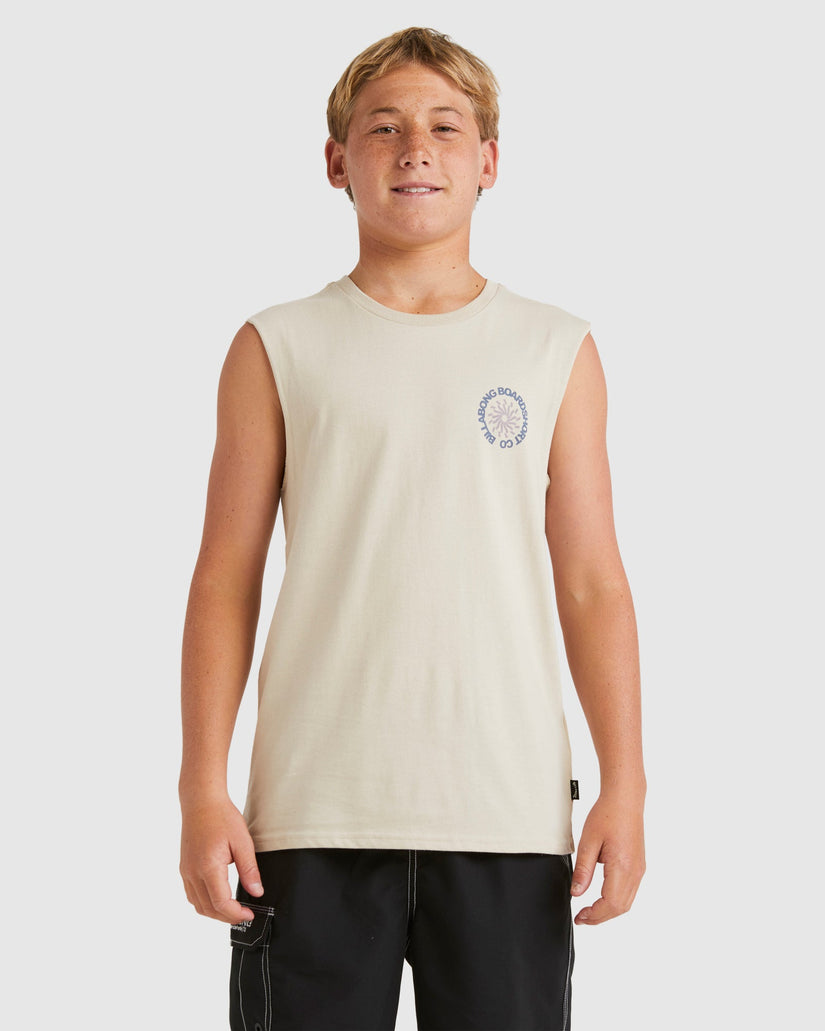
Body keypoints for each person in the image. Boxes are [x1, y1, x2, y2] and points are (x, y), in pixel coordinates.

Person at [179, 25, 646, 1031]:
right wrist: (200, 787)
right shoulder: (278, 345)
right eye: (382, 127)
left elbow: (593, 582)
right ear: (336, 162)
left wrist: (627, 783)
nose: (414, 149)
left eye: (444, 126)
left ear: (488, 162)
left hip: (507, 812)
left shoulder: (554, 348)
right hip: (312, 810)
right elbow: (224, 577)